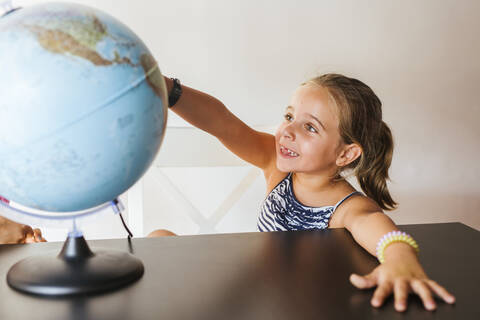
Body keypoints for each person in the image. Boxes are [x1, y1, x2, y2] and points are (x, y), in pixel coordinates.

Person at [149, 73, 455, 312]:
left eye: (310, 128)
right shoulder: (277, 166)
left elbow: (381, 231)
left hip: (297, 307)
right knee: (159, 238)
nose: (288, 131)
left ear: (346, 154)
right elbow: (224, 124)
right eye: (289, 116)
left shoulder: (347, 208)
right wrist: (167, 90)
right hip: (253, 293)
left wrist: (400, 259)